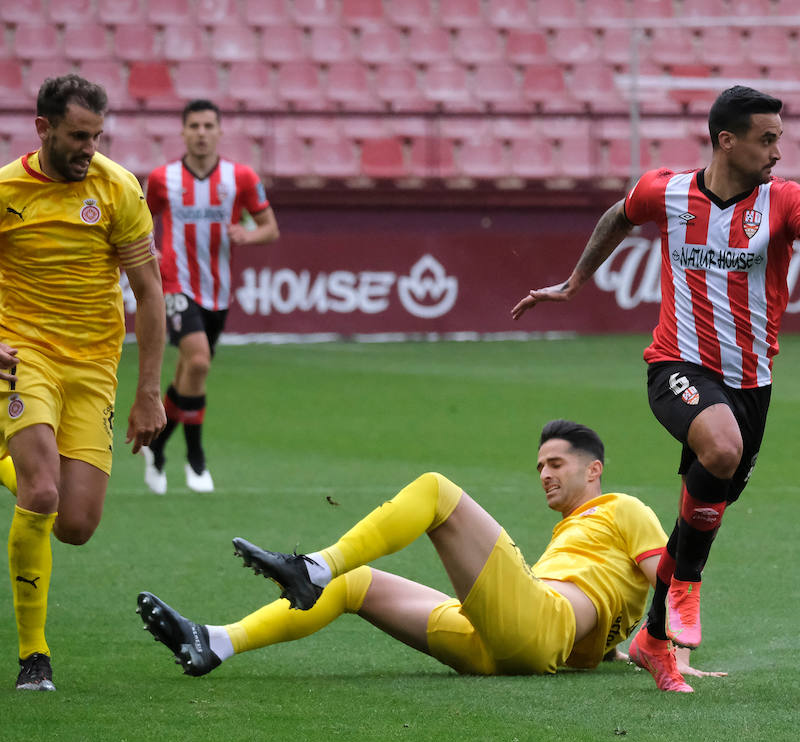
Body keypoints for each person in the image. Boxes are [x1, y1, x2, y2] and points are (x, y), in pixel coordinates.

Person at [510, 86, 800, 691]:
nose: (779, 151)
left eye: (780, 138)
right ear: (727, 140)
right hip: (676, 366)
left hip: (752, 384)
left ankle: (654, 640)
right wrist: (573, 283)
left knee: (700, 516)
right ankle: (686, 594)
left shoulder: (784, 201)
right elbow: (619, 214)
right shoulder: (666, 191)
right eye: (766, 138)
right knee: (720, 451)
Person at [136, 420, 723, 691]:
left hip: (538, 626)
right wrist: (624, 651)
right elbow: (610, 602)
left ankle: (313, 566)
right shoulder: (574, 534)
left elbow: (668, 579)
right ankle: (214, 642)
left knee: (438, 492)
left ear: (594, 470)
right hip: (496, 645)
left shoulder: (624, 508)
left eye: (556, 464)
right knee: (358, 585)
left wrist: (671, 651)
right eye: (539, 465)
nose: (544, 474)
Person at [0, 74, 166, 692]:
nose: (89, 148)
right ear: (43, 129)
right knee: (40, 493)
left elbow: (149, 293)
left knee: (75, 525)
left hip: (94, 366)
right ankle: (33, 656)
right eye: (77, 136)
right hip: (26, 354)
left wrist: (150, 392)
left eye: (96, 135)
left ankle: (7, 454)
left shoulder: (118, 189)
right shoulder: (7, 190)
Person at [142, 99, 279, 494]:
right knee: (199, 362)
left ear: (219, 132)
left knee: (189, 371)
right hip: (175, 285)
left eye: (208, 126)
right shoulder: (162, 178)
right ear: (183, 132)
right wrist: (146, 255)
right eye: (194, 126)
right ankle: (197, 458)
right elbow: (140, 221)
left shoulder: (241, 178)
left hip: (217, 291)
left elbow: (270, 227)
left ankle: (159, 445)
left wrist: (247, 234)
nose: (201, 133)